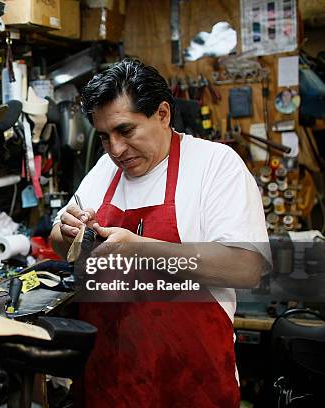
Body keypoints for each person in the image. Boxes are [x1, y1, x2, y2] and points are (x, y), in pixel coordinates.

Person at [50, 58, 270, 407]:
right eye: (104, 136)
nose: (116, 149)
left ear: (163, 114)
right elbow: (57, 242)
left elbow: (246, 268)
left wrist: (141, 249)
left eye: (126, 131)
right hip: (109, 381)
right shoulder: (106, 168)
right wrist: (68, 233)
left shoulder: (214, 165)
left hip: (190, 384)